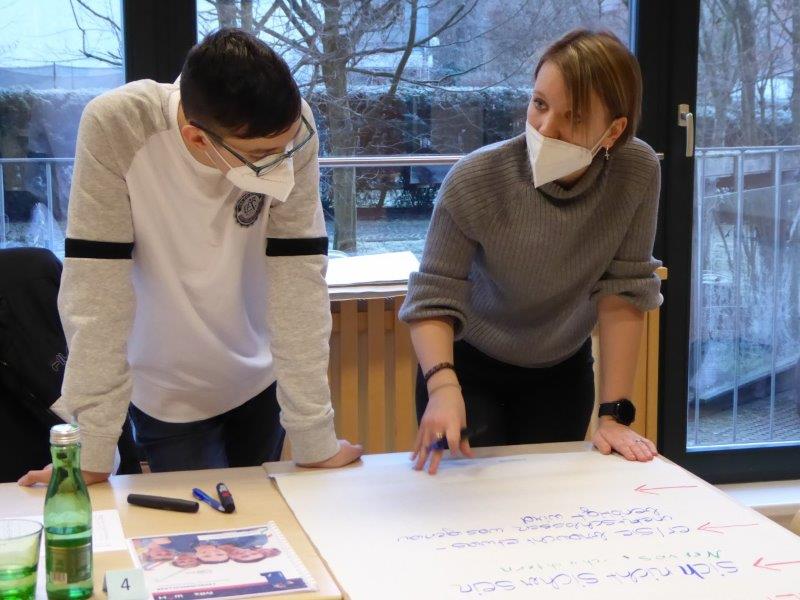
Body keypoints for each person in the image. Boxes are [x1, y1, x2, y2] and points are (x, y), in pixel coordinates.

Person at [18, 28, 362, 487]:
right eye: (262, 156)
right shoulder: (118, 125)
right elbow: (96, 293)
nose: (281, 164)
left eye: (286, 148)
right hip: (168, 388)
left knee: (260, 520)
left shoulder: (290, 125)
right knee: (200, 525)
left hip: (260, 375)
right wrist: (92, 452)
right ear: (198, 139)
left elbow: (299, 279)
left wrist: (315, 438)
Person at [399, 29, 662, 475]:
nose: (545, 128)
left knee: (548, 497)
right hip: (465, 367)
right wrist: (442, 388)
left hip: (560, 369)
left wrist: (614, 417)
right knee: (470, 499)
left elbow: (624, 289)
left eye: (573, 117)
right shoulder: (475, 179)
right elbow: (432, 297)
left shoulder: (637, 171)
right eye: (539, 104)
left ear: (614, 130)